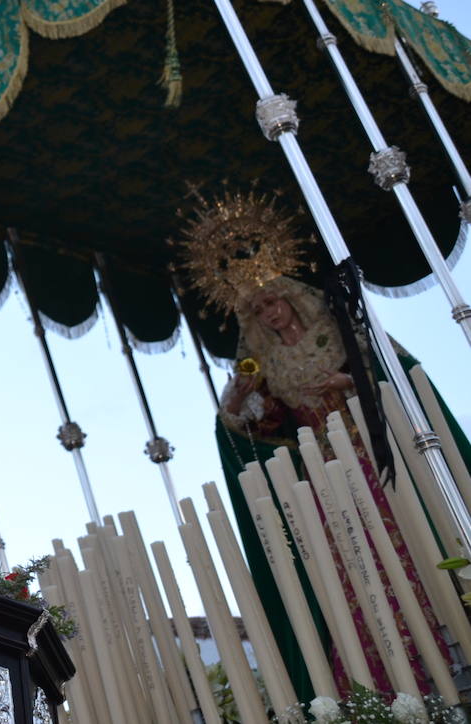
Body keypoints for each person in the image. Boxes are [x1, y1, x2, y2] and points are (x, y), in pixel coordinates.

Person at [181, 191, 471, 703]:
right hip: (323, 470)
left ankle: (453, 639)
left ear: (290, 294)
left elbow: (393, 368)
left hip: (378, 452)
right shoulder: (258, 362)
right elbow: (258, 424)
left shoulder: (337, 326)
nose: (269, 313)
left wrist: (349, 379)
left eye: (272, 300)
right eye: (257, 309)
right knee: (353, 563)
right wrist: (235, 403)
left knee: (409, 543)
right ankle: (385, 678)